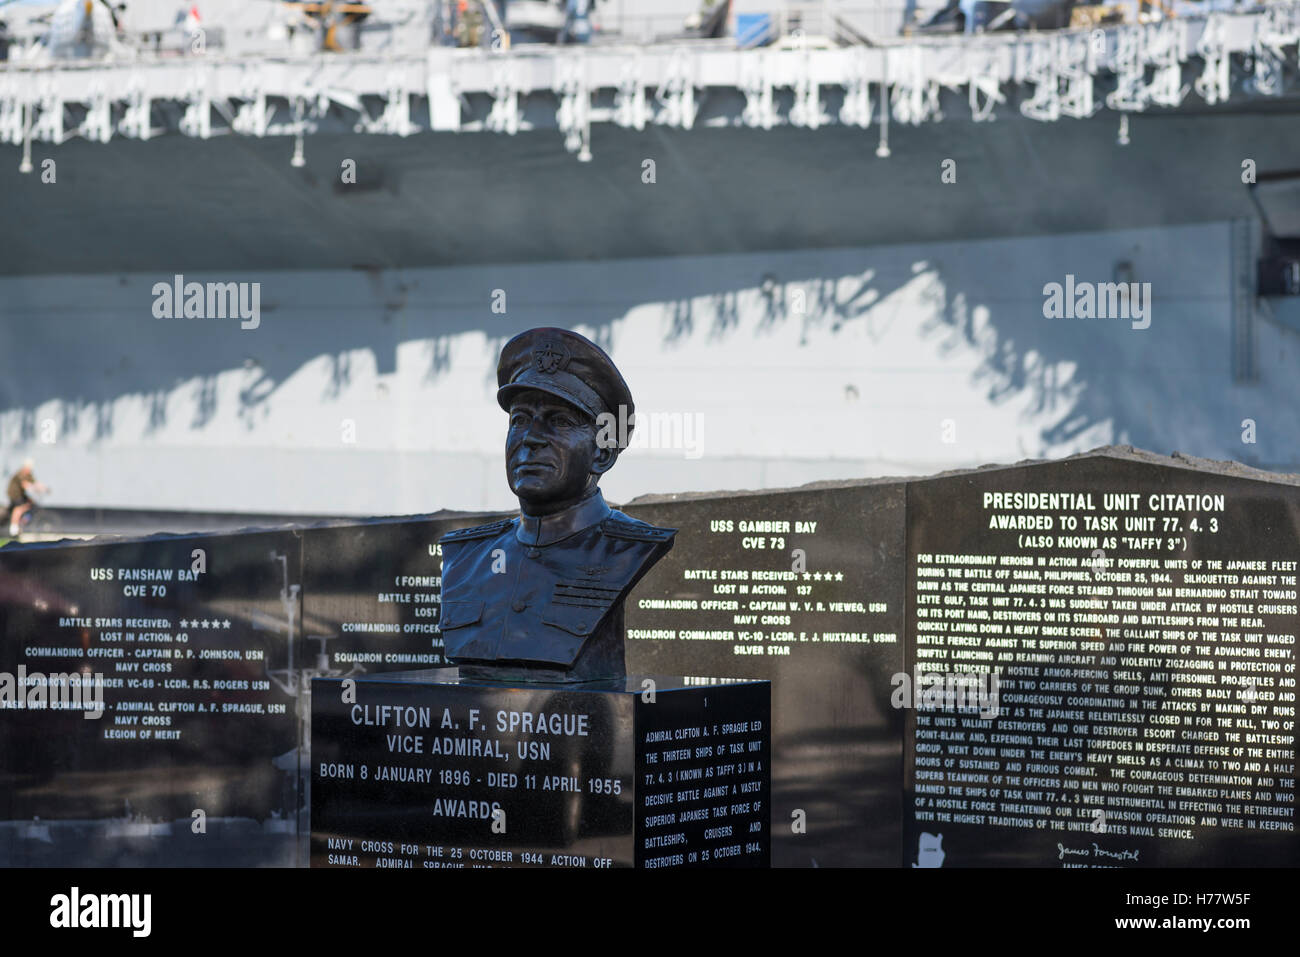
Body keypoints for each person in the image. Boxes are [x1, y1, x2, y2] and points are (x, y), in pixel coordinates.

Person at [437, 328, 676, 682]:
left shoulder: (628, 551)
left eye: (559, 421)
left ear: (602, 453)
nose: (530, 438)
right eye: (519, 420)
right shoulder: (467, 558)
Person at [7, 459, 49, 538]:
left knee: (30, 503)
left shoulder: (29, 474)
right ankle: (13, 528)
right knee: (19, 507)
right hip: (14, 493)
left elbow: (35, 483)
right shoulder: (21, 473)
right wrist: (33, 488)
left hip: (22, 493)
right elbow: (25, 484)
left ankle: (22, 522)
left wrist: (45, 488)